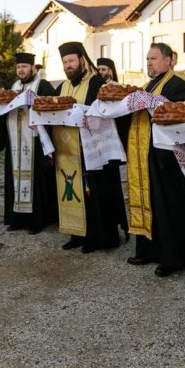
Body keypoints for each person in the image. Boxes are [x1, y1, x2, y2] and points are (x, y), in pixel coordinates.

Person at [126, 43, 185, 276]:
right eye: (147, 58)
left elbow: (182, 117)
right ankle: (149, 250)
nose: (149, 62)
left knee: (169, 205)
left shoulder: (177, 84)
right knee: (152, 202)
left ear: (169, 60)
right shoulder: (146, 86)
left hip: (169, 159)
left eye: (154, 58)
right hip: (147, 156)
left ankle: (173, 257)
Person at [53, 42, 126, 252]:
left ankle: (98, 238)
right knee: (71, 191)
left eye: (71, 61)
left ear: (82, 60)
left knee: (94, 192)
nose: (68, 66)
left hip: (93, 149)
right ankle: (76, 234)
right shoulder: (64, 86)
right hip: (68, 149)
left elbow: (106, 110)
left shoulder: (96, 82)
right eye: (65, 62)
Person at [0, 53, 58, 233]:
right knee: (15, 179)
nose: (21, 70)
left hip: (35, 141)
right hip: (15, 140)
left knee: (36, 182)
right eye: (19, 67)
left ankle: (37, 221)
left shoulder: (42, 85)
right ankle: (17, 219)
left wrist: (34, 104)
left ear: (33, 68)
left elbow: (51, 108)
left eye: (24, 66)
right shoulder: (13, 87)